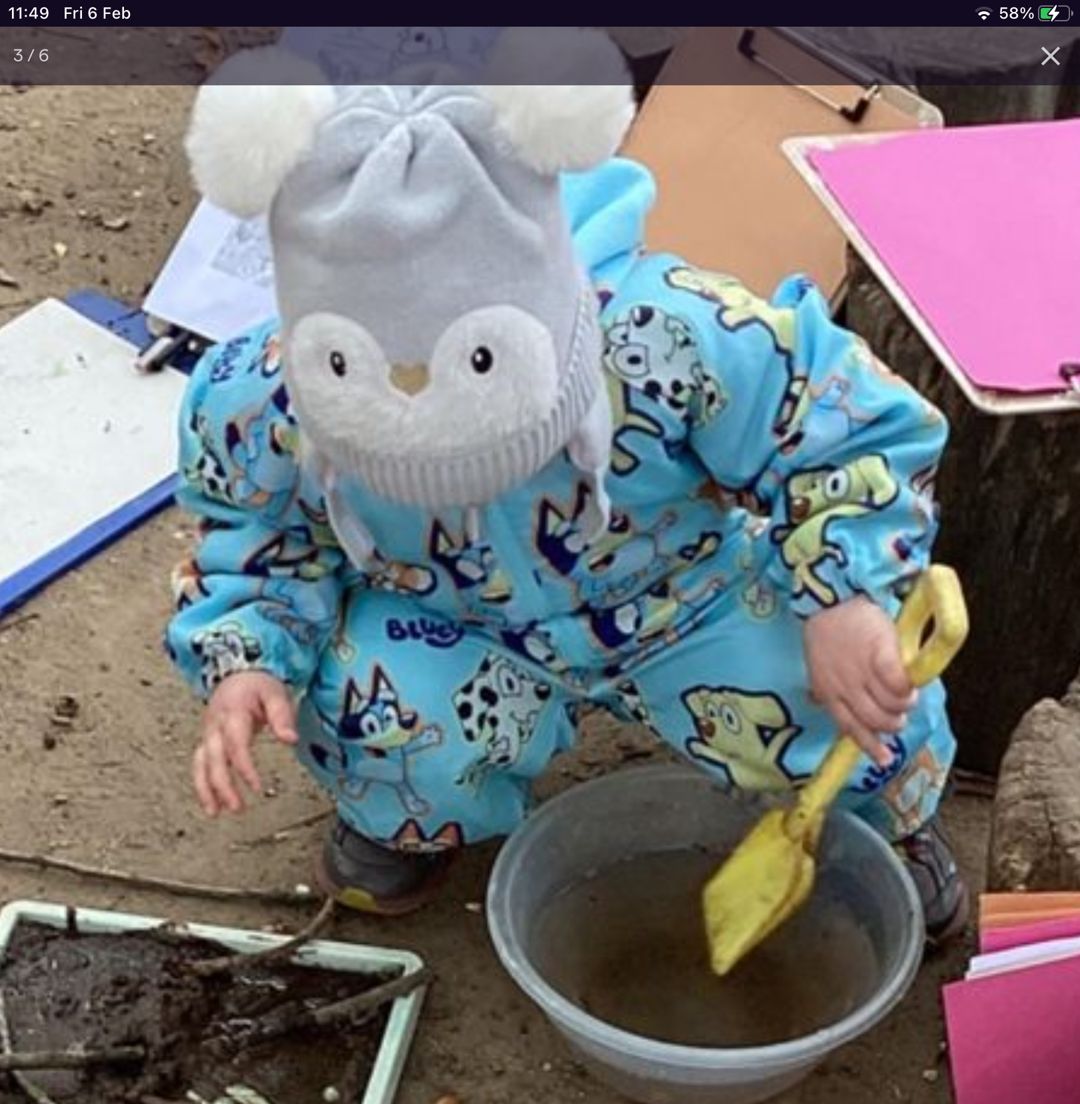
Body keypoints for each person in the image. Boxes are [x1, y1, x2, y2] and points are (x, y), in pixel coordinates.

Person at [166, 57, 967, 942]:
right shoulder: (265, 402)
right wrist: (249, 656)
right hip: (455, 619)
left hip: (686, 594)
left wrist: (841, 595)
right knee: (369, 697)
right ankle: (412, 810)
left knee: (845, 691)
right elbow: (258, 535)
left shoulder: (663, 335)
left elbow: (847, 426)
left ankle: (872, 824)